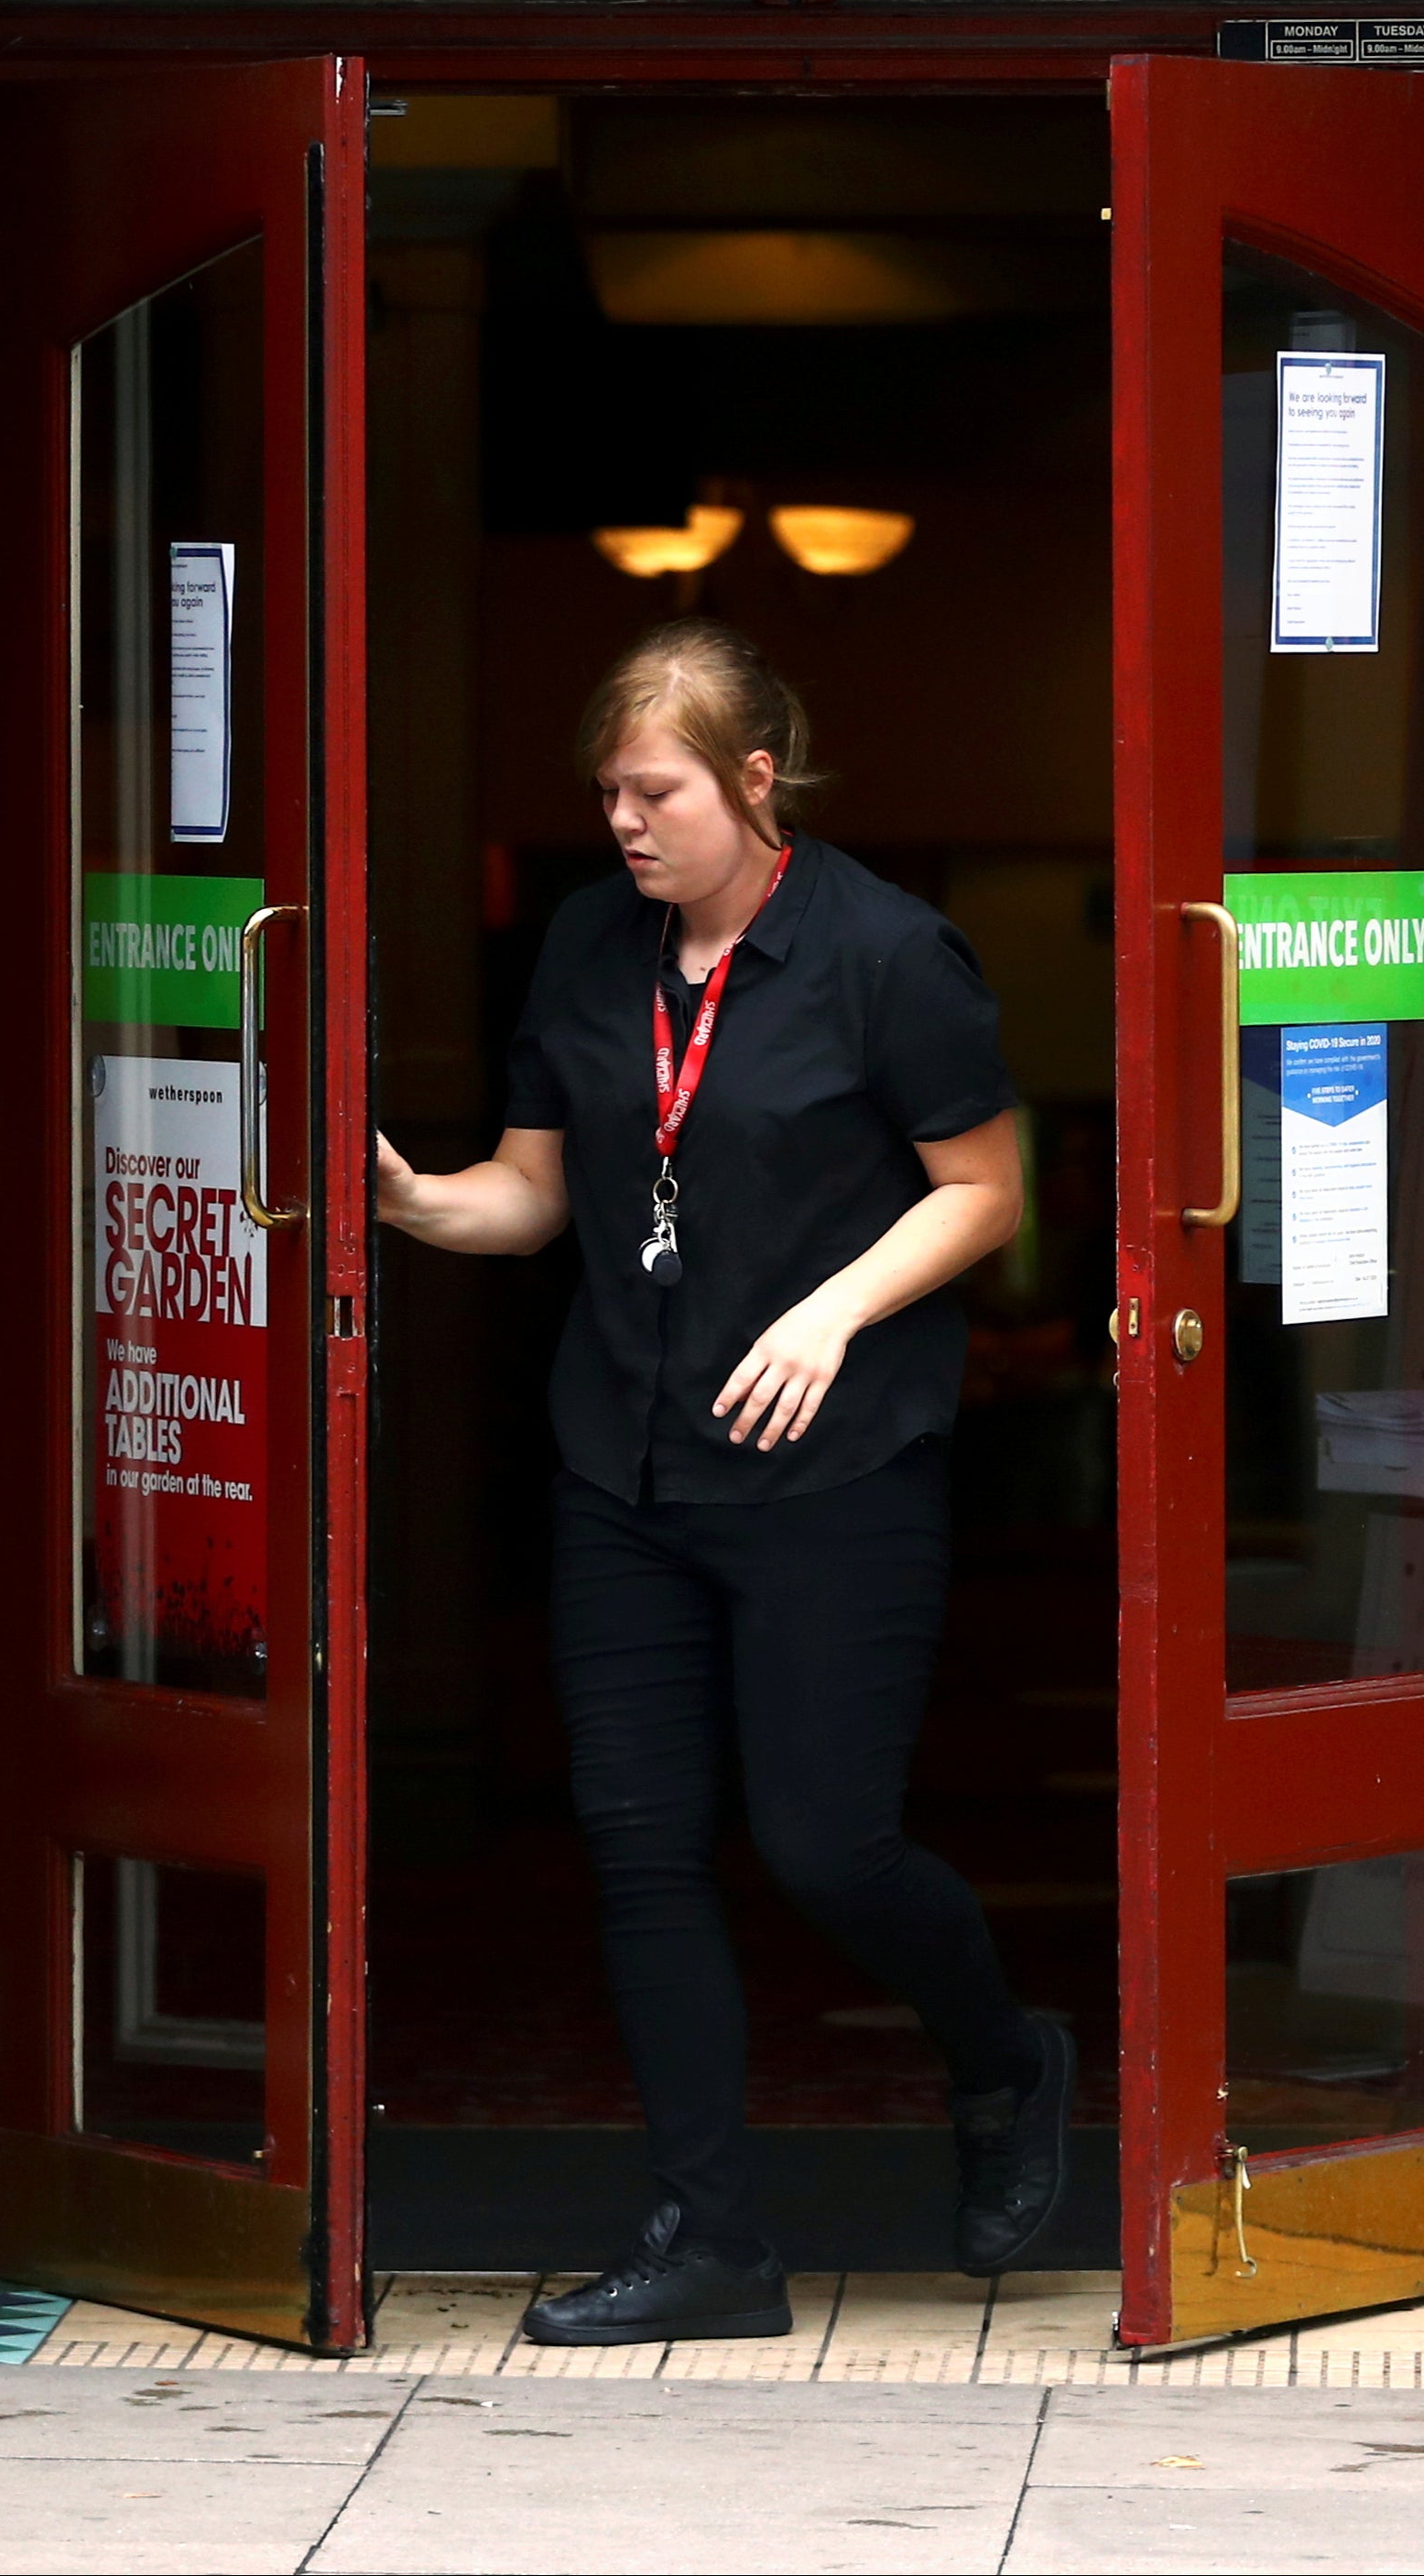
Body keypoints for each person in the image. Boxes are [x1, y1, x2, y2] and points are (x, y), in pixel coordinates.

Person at [374, 615, 1068, 2346]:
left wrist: (831, 1315)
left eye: (657, 789)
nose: (624, 822)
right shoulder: (590, 954)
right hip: (624, 1466)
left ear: (756, 784)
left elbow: (986, 1185)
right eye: (608, 791)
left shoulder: (888, 956)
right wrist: (411, 1204)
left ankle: (1006, 2055)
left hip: (834, 1474)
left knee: (826, 1846)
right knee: (638, 1851)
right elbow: (536, 1195)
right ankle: (711, 2241)